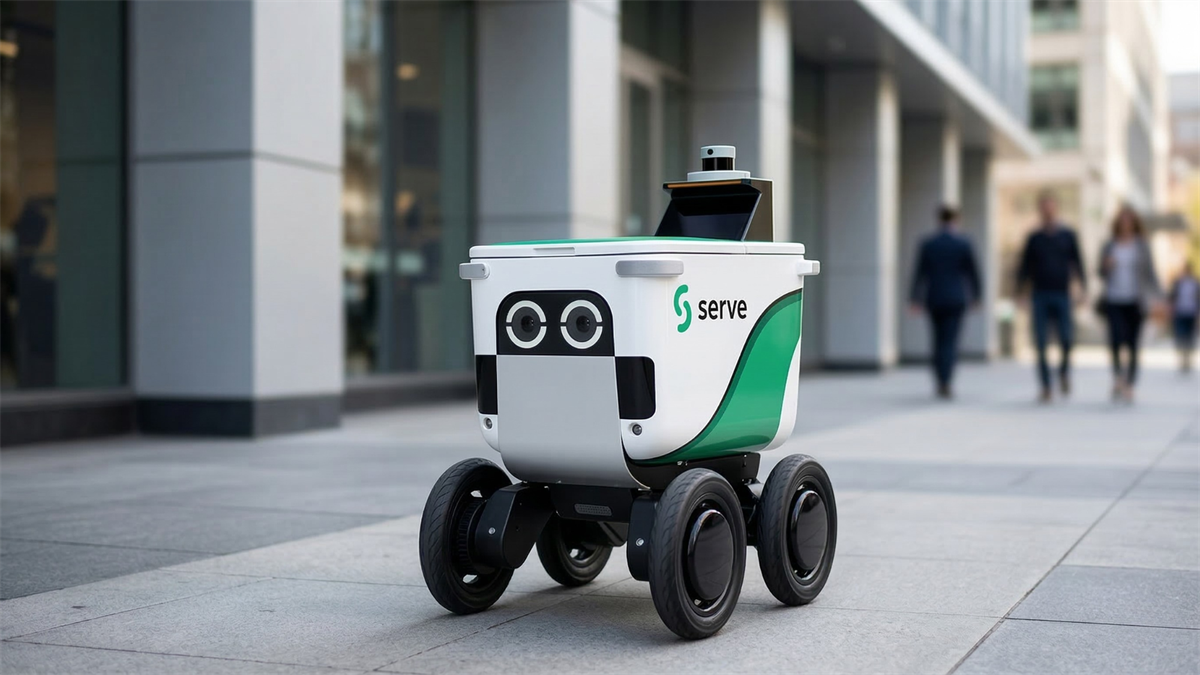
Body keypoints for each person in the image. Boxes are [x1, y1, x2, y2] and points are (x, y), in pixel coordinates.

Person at [1016, 191, 1087, 402]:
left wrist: (1083, 289)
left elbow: (1078, 263)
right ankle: (1046, 386)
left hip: (1062, 294)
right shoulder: (1034, 238)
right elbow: (1024, 267)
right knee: (1040, 342)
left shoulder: (1068, 235)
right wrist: (1020, 292)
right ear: (1040, 210)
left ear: (1056, 208)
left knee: (1066, 338)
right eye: (1043, 206)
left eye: (1050, 206)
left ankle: (1064, 372)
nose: (1047, 210)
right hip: (1039, 295)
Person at [909, 205, 981, 399]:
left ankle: (940, 379)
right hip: (956, 298)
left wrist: (914, 298)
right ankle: (947, 380)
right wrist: (976, 296)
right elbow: (973, 273)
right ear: (956, 220)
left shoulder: (929, 243)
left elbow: (919, 273)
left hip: (935, 297)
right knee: (950, 341)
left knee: (937, 340)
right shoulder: (963, 243)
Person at [1097, 206, 1161, 402]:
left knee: (1133, 344)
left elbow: (1150, 273)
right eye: (1122, 220)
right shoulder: (1109, 245)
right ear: (1118, 223)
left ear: (1134, 223)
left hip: (1135, 300)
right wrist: (1106, 266)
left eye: (1129, 220)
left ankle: (1130, 384)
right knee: (1116, 339)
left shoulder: (1142, 245)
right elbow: (1100, 272)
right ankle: (1118, 377)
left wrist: (1160, 297)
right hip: (1114, 299)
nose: (1126, 224)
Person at [1169, 262, 1199, 373]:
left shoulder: (1195, 283)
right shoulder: (1178, 283)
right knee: (1181, 336)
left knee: (1190, 337)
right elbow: (1171, 297)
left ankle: (1188, 359)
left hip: (1191, 313)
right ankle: (1182, 358)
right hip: (1179, 313)